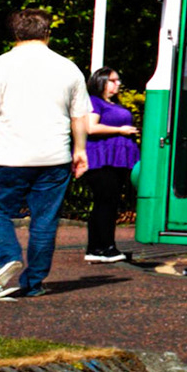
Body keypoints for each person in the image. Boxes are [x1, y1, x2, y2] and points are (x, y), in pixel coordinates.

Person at [0, 10, 99, 301]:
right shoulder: (68, 68)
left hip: (9, 154)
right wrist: (80, 150)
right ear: (48, 32)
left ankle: (8, 257)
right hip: (54, 156)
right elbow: (79, 116)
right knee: (45, 221)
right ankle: (33, 283)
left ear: (15, 33)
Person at [77, 67, 139, 264]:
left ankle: (98, 247)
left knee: (107, 202)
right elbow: (91, 127)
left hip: (116, 158)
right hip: (102, 158)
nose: (118, 84)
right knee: (106, 202)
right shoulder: (95, 102)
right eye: (113, 80)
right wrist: (120, 131)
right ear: (101, 82)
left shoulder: (113, 104)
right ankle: (105, 247)